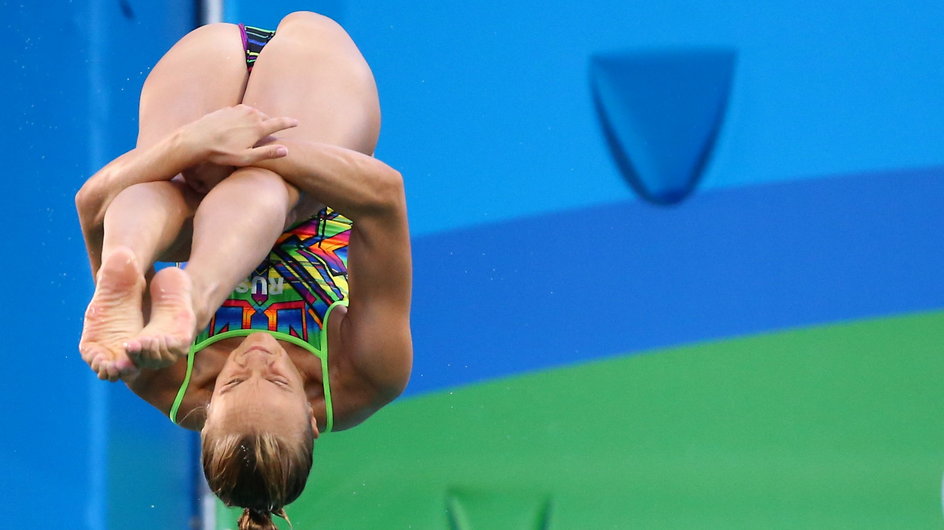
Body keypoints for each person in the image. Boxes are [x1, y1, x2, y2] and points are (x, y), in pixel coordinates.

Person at [74, 12, 412, 530]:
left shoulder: (159, 373)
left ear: (205, 415)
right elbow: (384, 197)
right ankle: (196, 295)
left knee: (158, 192)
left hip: (200, 149)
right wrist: (251, 150)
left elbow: (92, 204)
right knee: (262, 190)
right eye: (279, 380)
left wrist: (191, 145)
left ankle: (134, 258)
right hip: (309, 122)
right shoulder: (365, 375)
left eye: (230, 385)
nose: (256, 357)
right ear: (312, 421)